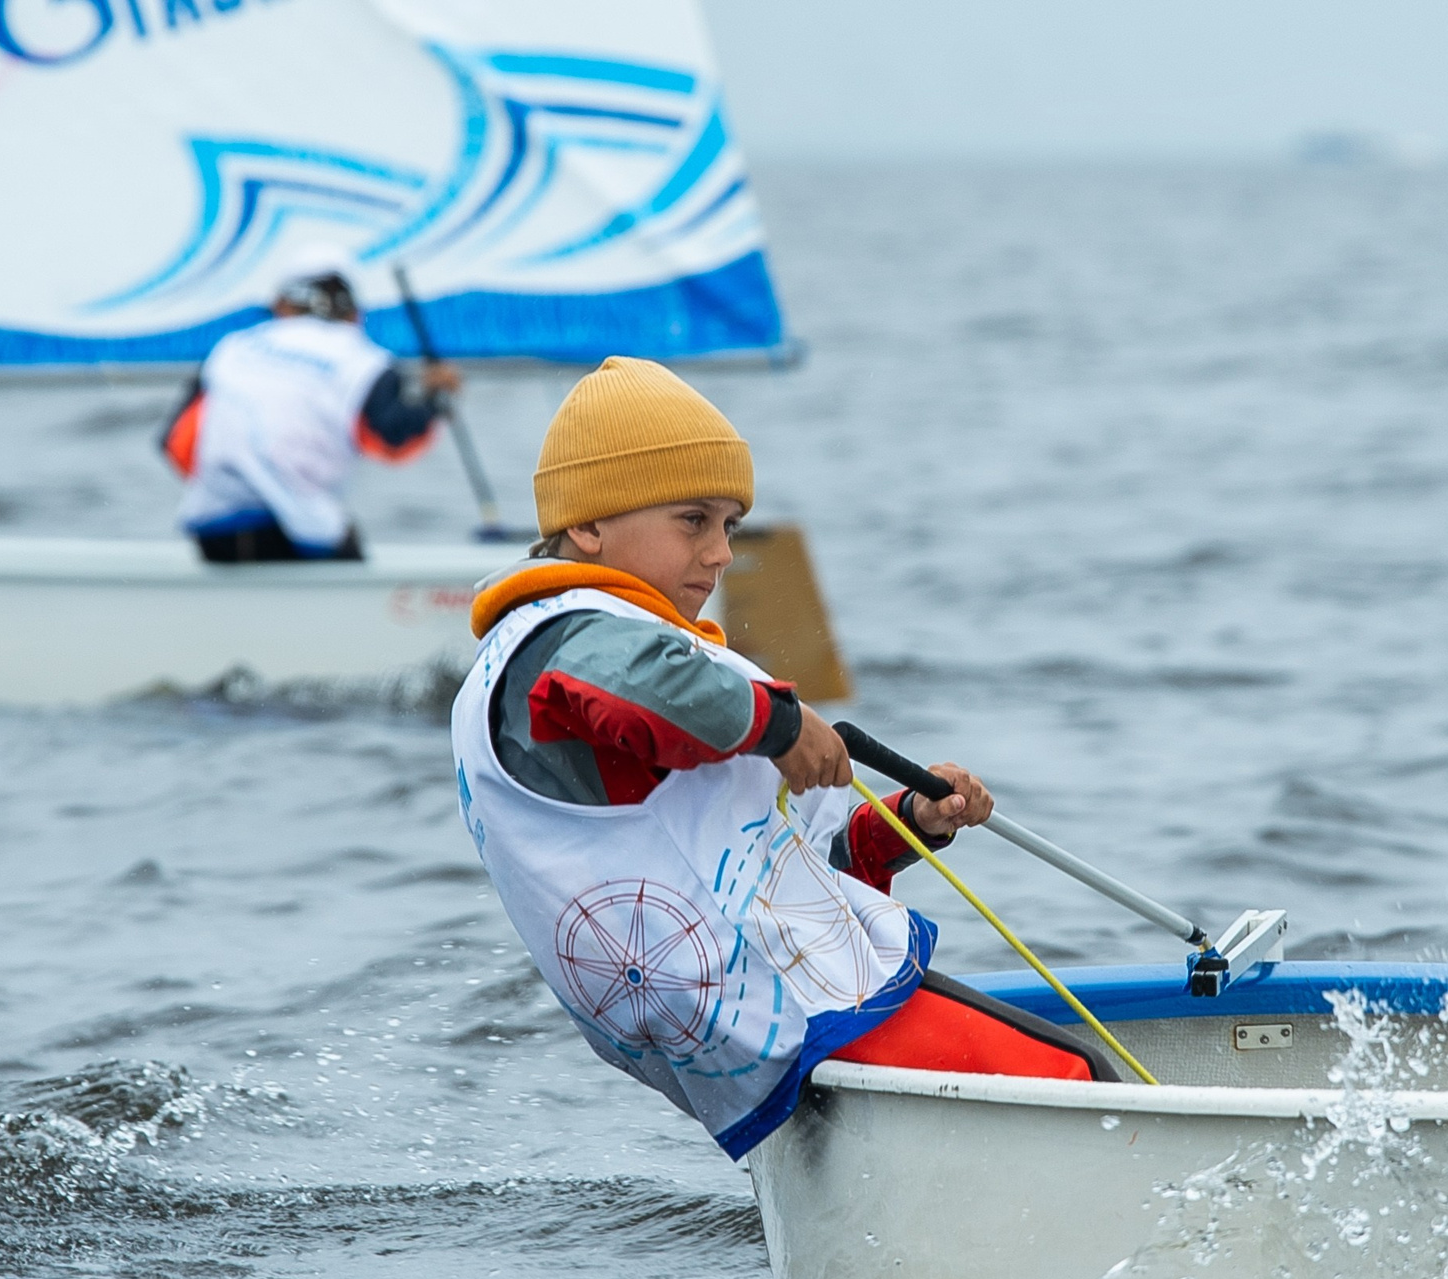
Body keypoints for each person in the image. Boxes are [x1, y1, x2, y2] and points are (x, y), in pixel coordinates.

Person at [449, 356, 1109, 1163]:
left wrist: (903, 824)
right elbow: (632, 694)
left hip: (761, 1023)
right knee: (1078, 1080)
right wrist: (779, 724)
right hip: (781, 1007)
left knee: (1062, 1060)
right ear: (589, 529)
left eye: (729, 525)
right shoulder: (561, 642)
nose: (722, 552)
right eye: (694, 520)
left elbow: (785, 863)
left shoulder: (632, 653)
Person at [162, 257, 462, 561]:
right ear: (352, 312)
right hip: (298, 531)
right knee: (336, 540)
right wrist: (434, 400)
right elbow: (393, 439)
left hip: (213, 527)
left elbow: (176, 445)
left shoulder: (232, 348)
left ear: (282, 304)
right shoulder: (364, 361)